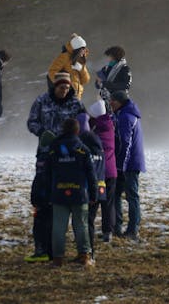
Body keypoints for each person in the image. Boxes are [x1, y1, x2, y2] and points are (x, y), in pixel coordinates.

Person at [46, 118, 98, 267]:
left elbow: (47, 173)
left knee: (58, 227)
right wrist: (93, 194)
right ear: (77, 131)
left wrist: (48, 192)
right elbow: (91, 174)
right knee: (81, 225)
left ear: (63, 130)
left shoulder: (54, 149)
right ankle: (84, 256)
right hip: (79, 194)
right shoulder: (83, 150)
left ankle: (57, 259)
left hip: (58, 193)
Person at [111, 89, 145, 240]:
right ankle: (117, 227)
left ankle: (132, 229)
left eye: (114, 101)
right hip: (126, 162)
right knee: (118, 195)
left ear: (121, 102)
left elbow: (126, 143)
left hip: (129, 164)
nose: (111, 103)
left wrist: (121, 166)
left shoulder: (125, 117)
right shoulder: (123, 114)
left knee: (131, 196)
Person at [86, 100, 117, 244]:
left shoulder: (97, 130)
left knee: (94, 202)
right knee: (108, 204)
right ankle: (108, 231)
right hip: (111, 171)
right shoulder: (109, 126)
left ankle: (89, 230)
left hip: (99, 171)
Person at [26, 130, 57, 263]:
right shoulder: (55, 156)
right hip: (52, 196)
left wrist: (35, 197)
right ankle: (52, 251)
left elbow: (39, 180)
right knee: (51, 224)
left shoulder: (41, 158)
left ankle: (41, 250)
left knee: (40, 224)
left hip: (41, 195)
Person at [28, 72, 86, 140]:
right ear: (55, 86)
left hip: (69, 146)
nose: (64, 90)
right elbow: (32, 122)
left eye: (67, 88)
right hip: (48, 146)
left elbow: (84, 121)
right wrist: (42, 132)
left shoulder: (76, 103)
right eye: (61, 88)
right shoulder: (41, 101)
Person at [78, 127, 107, 261]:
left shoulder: (86, 155)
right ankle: (89, 252)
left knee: (86, 222)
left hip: (90, 191)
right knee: (90, 221)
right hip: (101, 190)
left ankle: (88, 252)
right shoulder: (101, 153)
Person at [48, 34, 90, 99]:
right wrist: (63, 86)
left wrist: (81, 69)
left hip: (77, 96)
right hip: (65, 95)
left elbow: (85, 80)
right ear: (77, 49)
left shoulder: (80, 60)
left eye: (84, 48)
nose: (84, 51)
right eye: (82, 49)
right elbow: (52, 72)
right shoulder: (65, 57)